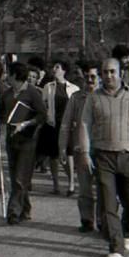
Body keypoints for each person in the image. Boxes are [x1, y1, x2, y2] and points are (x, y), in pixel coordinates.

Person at [79, 57, 129, 257]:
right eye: (105, 72)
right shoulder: (94, 98)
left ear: (120, 73)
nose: (108, 76)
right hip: (104, 157)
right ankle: (116, 245)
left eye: (112, 72)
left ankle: (127, 232)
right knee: (108, 205)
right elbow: (85, 124)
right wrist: (86, 152)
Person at [0, 63, 46, 225]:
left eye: (8, 74)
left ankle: (13, 212)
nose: (6, 77)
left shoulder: (32, 93)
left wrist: (25, 124)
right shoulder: (7, 93)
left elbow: (42, 115)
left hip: (27, 141)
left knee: (20, 177)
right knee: (16, 177)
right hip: (11, 140)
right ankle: (25, 208)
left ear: (15, 75)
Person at [61, 61, 102, 234]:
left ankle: (103, 221)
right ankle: (87, 220)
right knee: (84, 189)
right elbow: (65, 123)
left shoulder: (105, 96)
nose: (90, 80)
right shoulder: (76, 98)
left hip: (101, 149)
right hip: (81, 149)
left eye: (93, 76)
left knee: (103, 189)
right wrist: (62, 147)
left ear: (99, 77)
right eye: (87, 77)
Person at [41, 59, 79, 196]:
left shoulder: (74, 88)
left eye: (57, 67)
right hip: (52, 124)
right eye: (53, 67)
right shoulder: (48, 87)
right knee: (53, 156)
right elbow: (44, 103)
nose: (54, 69)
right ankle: (56, 184)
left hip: (67, 126)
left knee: (68, 154)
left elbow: (77, 108)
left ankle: (71, 184)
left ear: (64, 70)